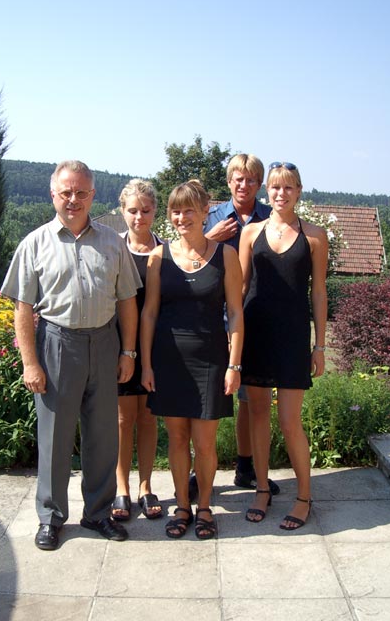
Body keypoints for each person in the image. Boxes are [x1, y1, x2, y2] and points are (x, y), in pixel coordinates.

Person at [1, 160, 141, 550]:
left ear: (92, 195)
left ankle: (97, 513)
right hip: (56, 344)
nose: (74, 199)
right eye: (66, 192)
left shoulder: (113, 242)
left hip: (104, 343)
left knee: (102, 437)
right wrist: (30, 362)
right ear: (53, 195)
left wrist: (128, 351)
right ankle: (50, 518)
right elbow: (23, 309)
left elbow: (127, 300)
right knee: (55, 439)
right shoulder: (34, 243)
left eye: (81, 192)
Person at [141, 180, 244, 540]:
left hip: (211, 360)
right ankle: (182, 506)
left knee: (204, 442)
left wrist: (234, 364)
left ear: (205, 213)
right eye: (175, 209)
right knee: (177, 438)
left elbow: (235, 312)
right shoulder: (159, 257)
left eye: (189, 209)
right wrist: (147, 365)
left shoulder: (225, 255)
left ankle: (204, 508)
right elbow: (149, 313)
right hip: (168, 360)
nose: (181, 216)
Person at [239, 161, 328, 530]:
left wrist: (320, 345)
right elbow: (240, 289)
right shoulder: (250, 233)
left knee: (290, 422)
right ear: (267, 192)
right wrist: (231, 338)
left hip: (292, 339)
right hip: (255, 335)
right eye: (275, 187)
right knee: (257, 416)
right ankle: (261, 489)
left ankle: (304, 496)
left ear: (299, 191)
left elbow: (319, 292)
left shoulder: (315, 236)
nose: (281, 193)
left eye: (288, 187)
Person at [204, 153, 280, 494]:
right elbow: (190, 260)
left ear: (259, 184)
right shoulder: (213, 218)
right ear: (229, 180)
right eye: (238, 177)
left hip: (256, 321)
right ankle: (199, 469)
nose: (243, 184)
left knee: (251, 400)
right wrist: (212, 239)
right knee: (207, 398)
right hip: (215, 319)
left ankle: (246, 467)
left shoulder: (271, 217)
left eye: (250, 179)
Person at [111, 179, 164, 522]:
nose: (139, 217)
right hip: (119, 346)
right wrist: (124, 352)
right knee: (122, 419)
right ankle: (122, 488)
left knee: (148, 417)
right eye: (132, 210)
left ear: (155, 211)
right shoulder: (112, 248)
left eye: (145, 210)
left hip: (158, 346)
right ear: (122, 211)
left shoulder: (166, 250)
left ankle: (146, 486)